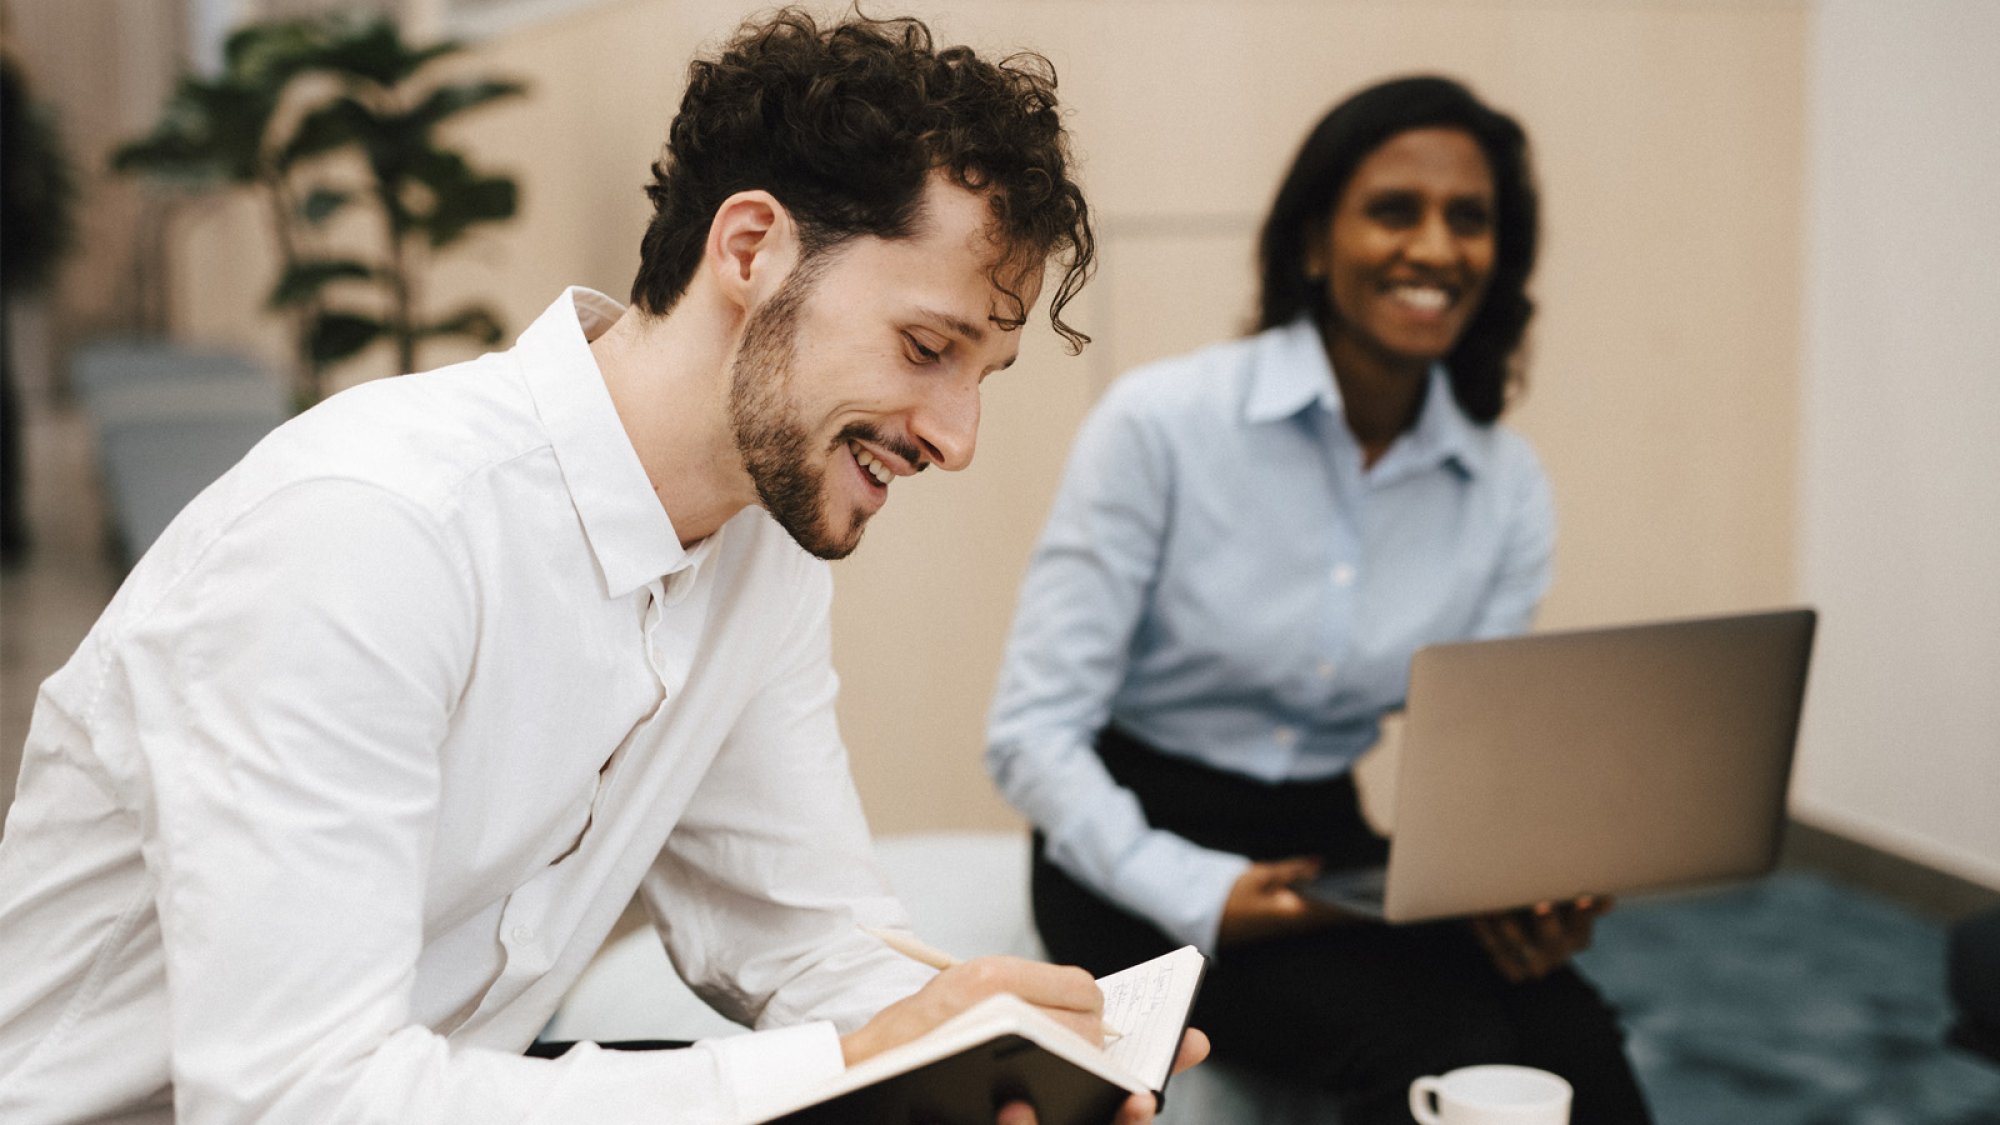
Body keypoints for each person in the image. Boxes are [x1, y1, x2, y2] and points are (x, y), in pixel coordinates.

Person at [0, 11, 1203, 1123]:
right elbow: (295, 1100)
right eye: (924, 346)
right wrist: (845, 1065)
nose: (955, 437)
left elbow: (800, 938)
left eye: (976, 376)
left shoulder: (758, 558)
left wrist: (984, 1048)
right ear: (752, 249)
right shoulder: (371, 533)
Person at [986, 75, 1652, 1124]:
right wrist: (1199, 893)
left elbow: (1471, 765)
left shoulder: (1504, 487)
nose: (1435, 248)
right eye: (1395, 210)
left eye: (1468, 220)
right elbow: (1030, 737)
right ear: (1309, 243)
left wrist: (1520, 890)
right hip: (1128, 846)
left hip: (1325, 844)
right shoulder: (1160, 426)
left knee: (1571, 1038)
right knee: (1435, 1044)